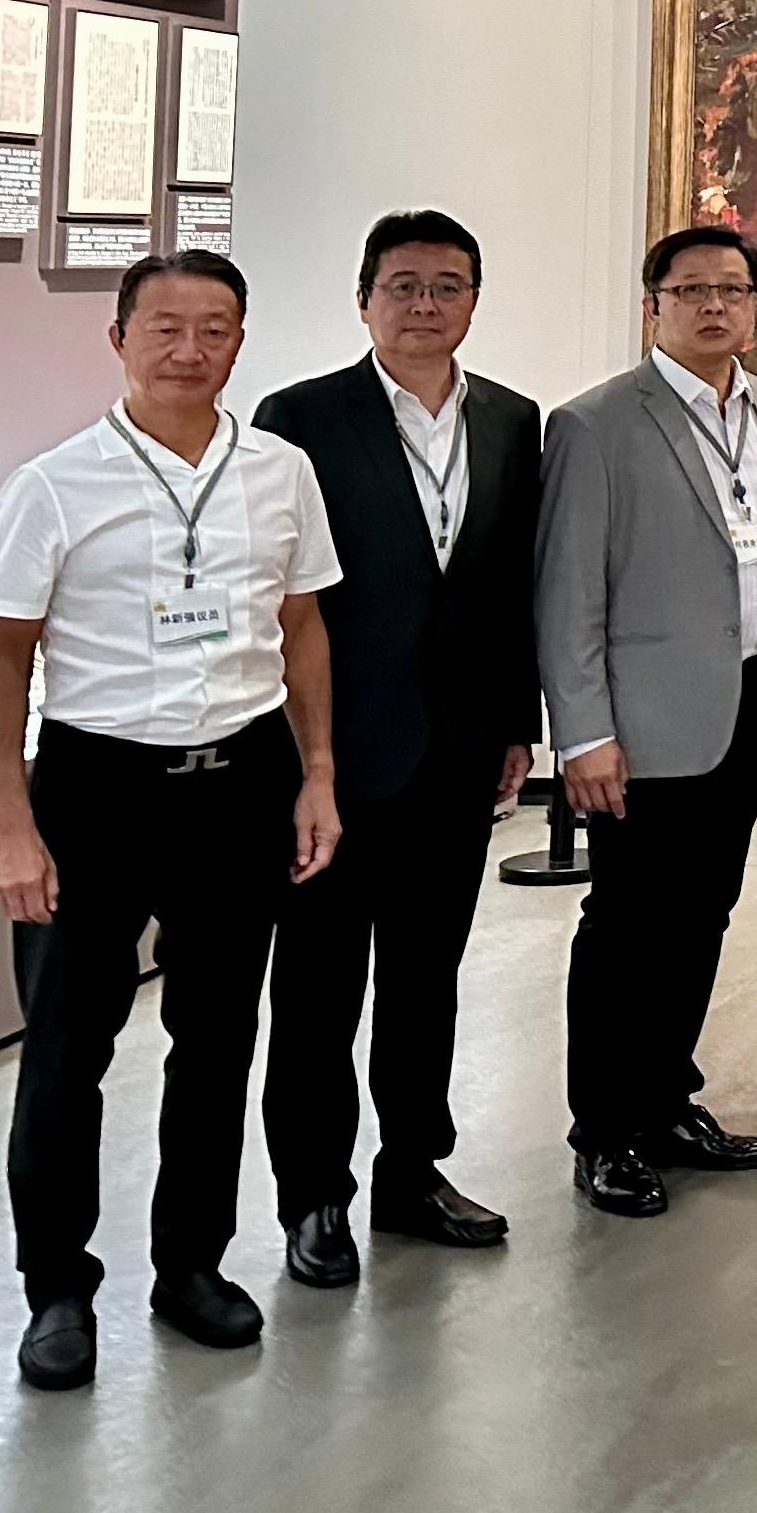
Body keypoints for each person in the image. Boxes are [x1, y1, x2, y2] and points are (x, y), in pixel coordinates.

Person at [0, 251, 345, 1390]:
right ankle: (56, 1291)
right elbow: (2, 665)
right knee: (67, 1049)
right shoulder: (54, 483)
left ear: (242, 341)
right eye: (166, 328)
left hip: (241, 781)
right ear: (121, 339)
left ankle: (190, 1264)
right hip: (94, 789)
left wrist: (317, 771)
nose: (190, 350)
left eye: (216, 330)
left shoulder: (280, 471)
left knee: (217, 1039)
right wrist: (8, 824)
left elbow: (304, 631)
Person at [252, 212, 538, 1288]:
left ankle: (413, 1171)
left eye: (447, 286)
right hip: (332, 757)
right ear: (363, 298)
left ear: (474, 299)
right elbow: (283, 595)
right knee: (320, 989)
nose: (425, 306)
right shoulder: (302, 419)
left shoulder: (514, 423)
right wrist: (301, 754)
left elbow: (511, 585)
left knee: (429, 979)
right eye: (403, 286)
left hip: (460, 754)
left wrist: (518, 723)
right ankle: (312, 1196)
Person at [540, 227, 757, 1217]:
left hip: (744, 702)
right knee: (627, 924)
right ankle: (606, 1132)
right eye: (690, 289)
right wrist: (582, 733)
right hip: (644, 722)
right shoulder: (597, 425)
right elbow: (568, 592)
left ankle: (667, 1101)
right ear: (652, 305)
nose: (714, 306)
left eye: (732, 290)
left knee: (702, 911)